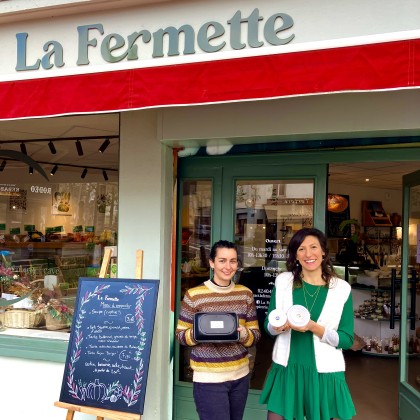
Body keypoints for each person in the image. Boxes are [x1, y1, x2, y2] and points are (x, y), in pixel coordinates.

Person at [259, 228, 356, 420]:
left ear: (323, 252)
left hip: (323, 372)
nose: (308, 254)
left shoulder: (341, 289)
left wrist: (314, 328)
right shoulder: (284, 282)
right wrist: (277, 327)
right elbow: (269, 325)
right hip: (287, 368)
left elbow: (346, 339)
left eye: (313, 247)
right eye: (301, 249)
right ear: (295, 255)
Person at [176, 239, 261, 420]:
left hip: (240, 377)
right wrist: (200, 332)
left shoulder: (245, 294)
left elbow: (255, 336)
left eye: (233, 261)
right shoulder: (194, 295)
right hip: (208, 379)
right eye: (222, 260)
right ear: (212, 262)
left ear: (237, 264)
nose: (228, 266)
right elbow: (180, 336)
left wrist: (243, 333)